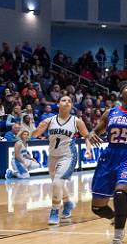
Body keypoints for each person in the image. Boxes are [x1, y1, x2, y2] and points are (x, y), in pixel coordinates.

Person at [88, 82, 127, 244]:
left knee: (120, 195)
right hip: (109, 156)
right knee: (97, 208)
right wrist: (91, 134)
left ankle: (117, 241)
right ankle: (115, 217)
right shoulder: (110, 112)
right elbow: (96, 131)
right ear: (120, 93)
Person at [32, 95, 92, 226]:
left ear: (71, 106)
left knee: (57, 182)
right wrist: (38, 128)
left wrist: (88, 150)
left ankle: (54, 210)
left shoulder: (76, 121)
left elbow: (87, 136)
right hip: (52, 156)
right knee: (57, 183)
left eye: (69, 101)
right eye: (64, 100)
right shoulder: (49, 120)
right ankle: (67, 203)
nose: (67, 103)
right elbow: (35, 135)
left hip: (68, 156)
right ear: (58, 104)